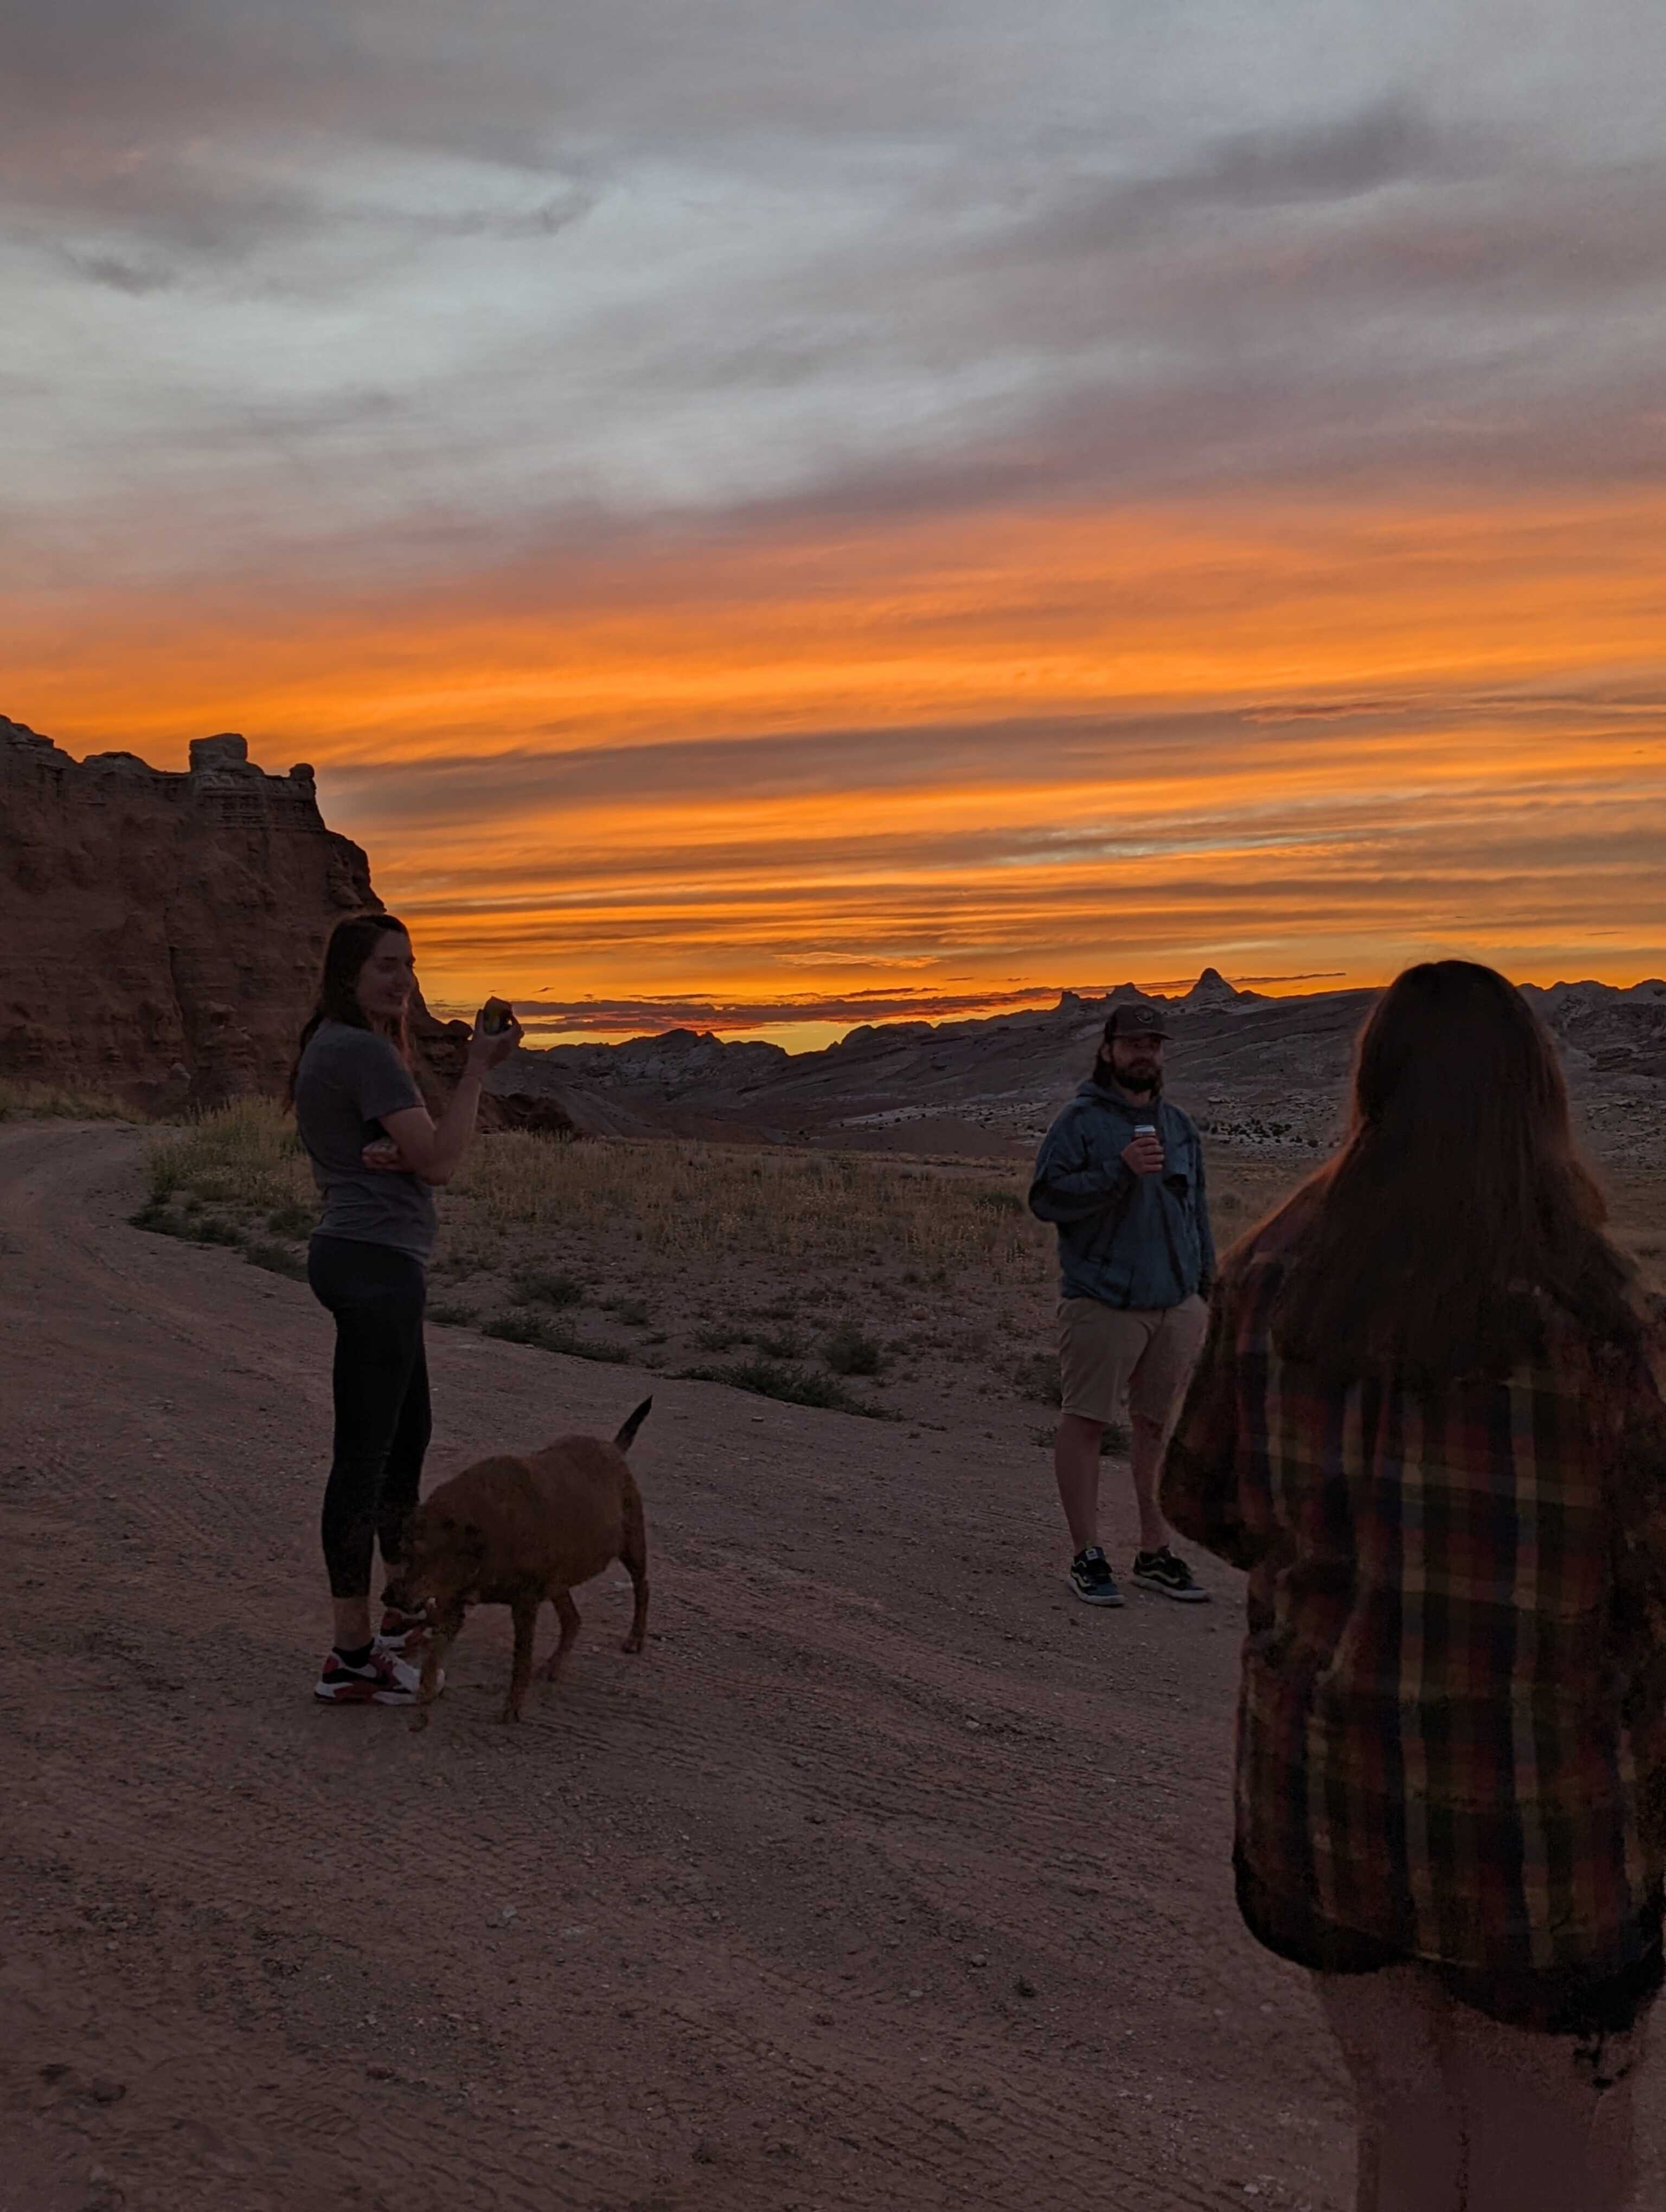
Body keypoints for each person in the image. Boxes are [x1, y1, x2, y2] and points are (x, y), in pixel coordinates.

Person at [1161, 960, 1666, 2212]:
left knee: (1404, 2116)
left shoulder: (1268, 1277)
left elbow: (1201, 1500)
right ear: (1535, 1104)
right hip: (1535, 1854)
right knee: (1550, 2146)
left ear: (1371, 1090)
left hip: (1324, 1816)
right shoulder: (1603, 1329)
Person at [290, 912, 520, 1705]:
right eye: (387, 965)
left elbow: (397, 1155)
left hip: (365, 1257)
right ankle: (351, 1656)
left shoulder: (334, 1044)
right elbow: (443, 1161)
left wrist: (401, 1158)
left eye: (410, 965)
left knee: (403, 1440)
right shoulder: (361, 1050)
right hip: (375, 1266)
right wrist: (477, 1070)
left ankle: (396, 1611)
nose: (403, 980)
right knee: (363, 1460)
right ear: (348, 972)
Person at [1028, 1000, 1214, 1606]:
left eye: (1154, 1045)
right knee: (1087, 1422)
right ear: (1108, 1050)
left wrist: (1205, 1290)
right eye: (1134, 1044)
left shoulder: (1178, 1126)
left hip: (1176, 1303)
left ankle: (1155, 1553)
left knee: (1159, 1429)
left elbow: (1196, 1213)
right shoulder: (1079, 1123)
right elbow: (1047, 1198)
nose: (1146, 1054)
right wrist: (1118, 1171)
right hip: (1103, 1301)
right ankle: (1087, 1554)